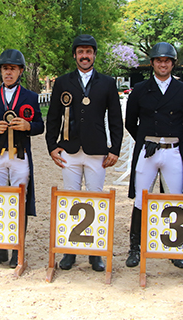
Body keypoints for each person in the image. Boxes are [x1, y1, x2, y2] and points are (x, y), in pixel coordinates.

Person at [45, 34, 123, 272]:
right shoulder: (63, 82)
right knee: (70, 199)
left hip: (97, 151)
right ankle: (69, 250)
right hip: (69, 149)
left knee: (95, 199)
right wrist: (52, 145)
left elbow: (116, 119)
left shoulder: (107, 83)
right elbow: (53, 116)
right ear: (75, 55)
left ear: (94, 55)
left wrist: (115, 149)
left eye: (89, 52)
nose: (85, 56)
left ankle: (95, 253)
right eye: (81, 52)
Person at [124, 42, 183, 269]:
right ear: (152, 63)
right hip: (148, 149)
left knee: (175, 198)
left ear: (173, 63)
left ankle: (174, 247)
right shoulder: (140, 89)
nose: (163, 64)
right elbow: (130, 122)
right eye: (159, 60)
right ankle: (135, 247)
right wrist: (146, 138)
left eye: (167, 61)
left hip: (172, 149)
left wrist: (174, 138)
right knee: (141, 199)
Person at [0, 49, 44, 268]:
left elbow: (40, 126)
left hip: (20, 155)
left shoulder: (30, 97)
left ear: (20, 71)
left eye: (12, 69)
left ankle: (17, 248)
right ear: (0, 71)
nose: (8, 72)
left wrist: (28, 125)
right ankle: (0, 249)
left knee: (19, 200)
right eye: (5, 68)